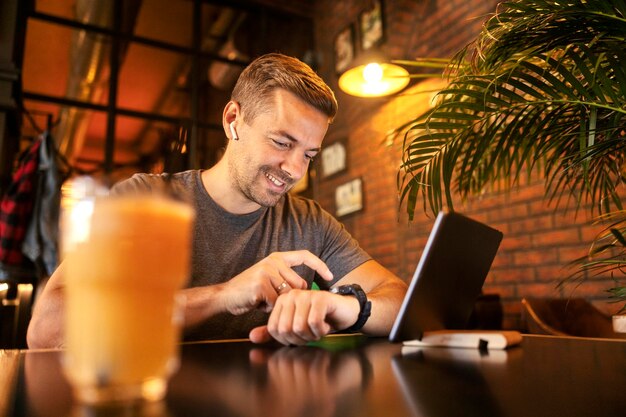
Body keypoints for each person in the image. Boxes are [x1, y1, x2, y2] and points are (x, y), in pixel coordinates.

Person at [27, 53, 408, 348]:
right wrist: (225, 295)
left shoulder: (311, 223)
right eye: (281, 142)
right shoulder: (144, 198)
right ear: (232, 120)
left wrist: (345, 306)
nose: (294, 169)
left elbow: (402, 301)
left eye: (309, 154)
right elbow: (48, 329)